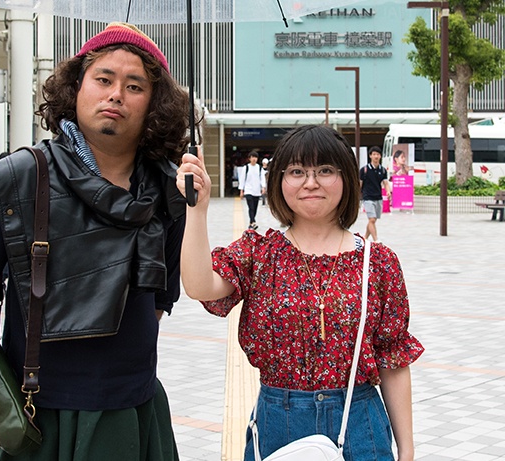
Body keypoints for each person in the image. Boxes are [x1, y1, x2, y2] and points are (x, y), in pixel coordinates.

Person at [0, 22, 193, 461]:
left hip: (132, 409)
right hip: (41, 411)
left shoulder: (170, 189)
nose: (116, 94)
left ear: (153, 104)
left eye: (134, 85)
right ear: (75, 87)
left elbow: (161, 300)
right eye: (103, 79)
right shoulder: (18, 177)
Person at [176, 125, 424, 461]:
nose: (311, 182)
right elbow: (200, 285)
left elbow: (393, 361)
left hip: (359, 423)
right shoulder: (260, 253)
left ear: (346, 178)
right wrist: (198, 209)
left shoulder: (378, 262)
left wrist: (407, 452)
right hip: (280, 420)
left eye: (325, 170)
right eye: (296, 171)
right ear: (279, 181)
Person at [360, 146, 391, 242]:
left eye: (377, 154)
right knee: (372, 219)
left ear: (380, 156)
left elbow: (385, 182)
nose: (376, 156)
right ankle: (376, 240)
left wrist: (388, 191)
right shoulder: (364, 170)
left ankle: (365, 237)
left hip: (378, 197)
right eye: (374, 154)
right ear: (370, 156)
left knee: (372, 220)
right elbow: (359, 184)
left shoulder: (382, 170)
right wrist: (357, 196)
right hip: (367, 197)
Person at [238, 151, 266, 230]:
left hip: (256, 191)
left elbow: (262, 179)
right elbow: (242, 179)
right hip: (248, 190)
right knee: (251, 207)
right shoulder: (246, 168)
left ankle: (251, 223)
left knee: (255, 207)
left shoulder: (259, 168)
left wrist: (263, 187)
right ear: (249, 158)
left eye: (255, 157)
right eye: (252, 157)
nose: (254, 159)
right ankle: (253, 221)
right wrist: (241, 191)